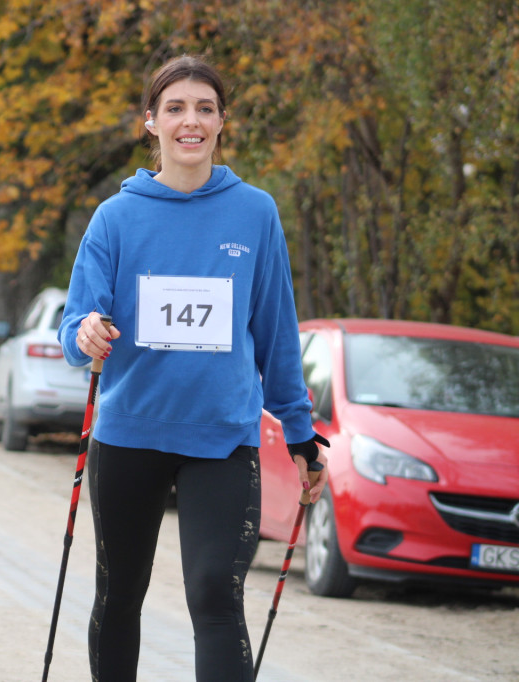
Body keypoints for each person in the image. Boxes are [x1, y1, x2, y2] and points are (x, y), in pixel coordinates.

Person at [56, 55, 330, 682]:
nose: (191, 121)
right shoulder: (115, 217)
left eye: (204, 108)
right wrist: (87, 333)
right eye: (175, 108)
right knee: (120, 594)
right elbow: (75, 330)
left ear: (221, 122)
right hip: (129, 435)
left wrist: (300, 434)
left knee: (214, 593)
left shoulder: (255, 213)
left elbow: (275, 332)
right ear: (150, 122)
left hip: (222, 438)